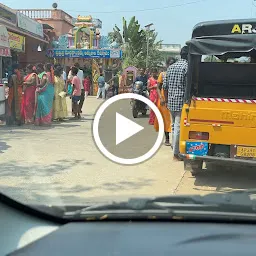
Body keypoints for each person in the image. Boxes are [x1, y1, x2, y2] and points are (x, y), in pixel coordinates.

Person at [163, 46, 188, 161]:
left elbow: (165, 87)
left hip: (171, 102)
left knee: (173, 126)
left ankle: (174, 148)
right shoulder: (187, 67)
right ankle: (176, 154)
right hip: (181, 101)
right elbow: (187, 86)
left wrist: (167, 100)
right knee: (178, 127)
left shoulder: (170, 68)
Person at [155, 57, 176, 146]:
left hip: (174, 100)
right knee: (165, 119)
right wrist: (161, 98)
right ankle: (167, 139)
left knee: (175, 121)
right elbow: (158, 88)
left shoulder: (176, 74)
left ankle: (175, 140)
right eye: (170, 64)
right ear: (167, 65)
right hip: (163, 101)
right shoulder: (163, 75)